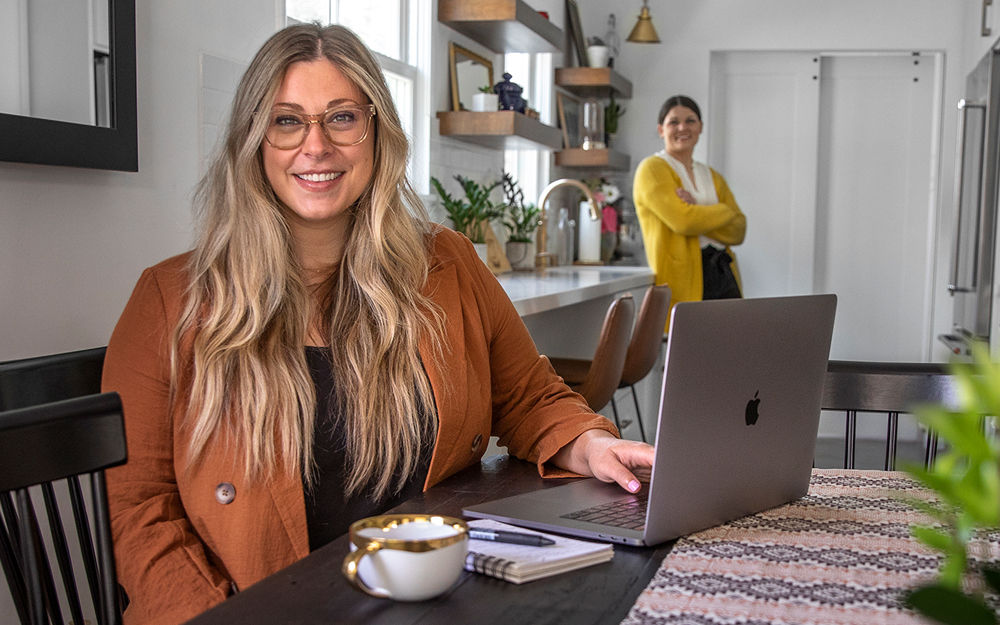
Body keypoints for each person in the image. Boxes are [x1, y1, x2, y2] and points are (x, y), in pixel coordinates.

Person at [102, 23, 654, 625]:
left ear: (376, 131)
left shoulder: (448, 263)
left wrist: (590, 442)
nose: (315, 146)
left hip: (439, 602)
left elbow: (527, 395)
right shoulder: (169, 301)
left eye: (342, 117)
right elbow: (141, 513)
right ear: (254, 139)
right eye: (287, 121)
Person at [633, 95, 746, 326]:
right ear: (661, 129)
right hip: (683, 280)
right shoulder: (652, 169)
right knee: (691, 353)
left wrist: (698, 209)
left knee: (732, 348)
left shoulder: (712, 176)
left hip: (724, 273)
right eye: (673, 122)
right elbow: (683, 221)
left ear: (700, 127)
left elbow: (739, 230)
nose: (682, 127)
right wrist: (723, 210)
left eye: (690, 120)